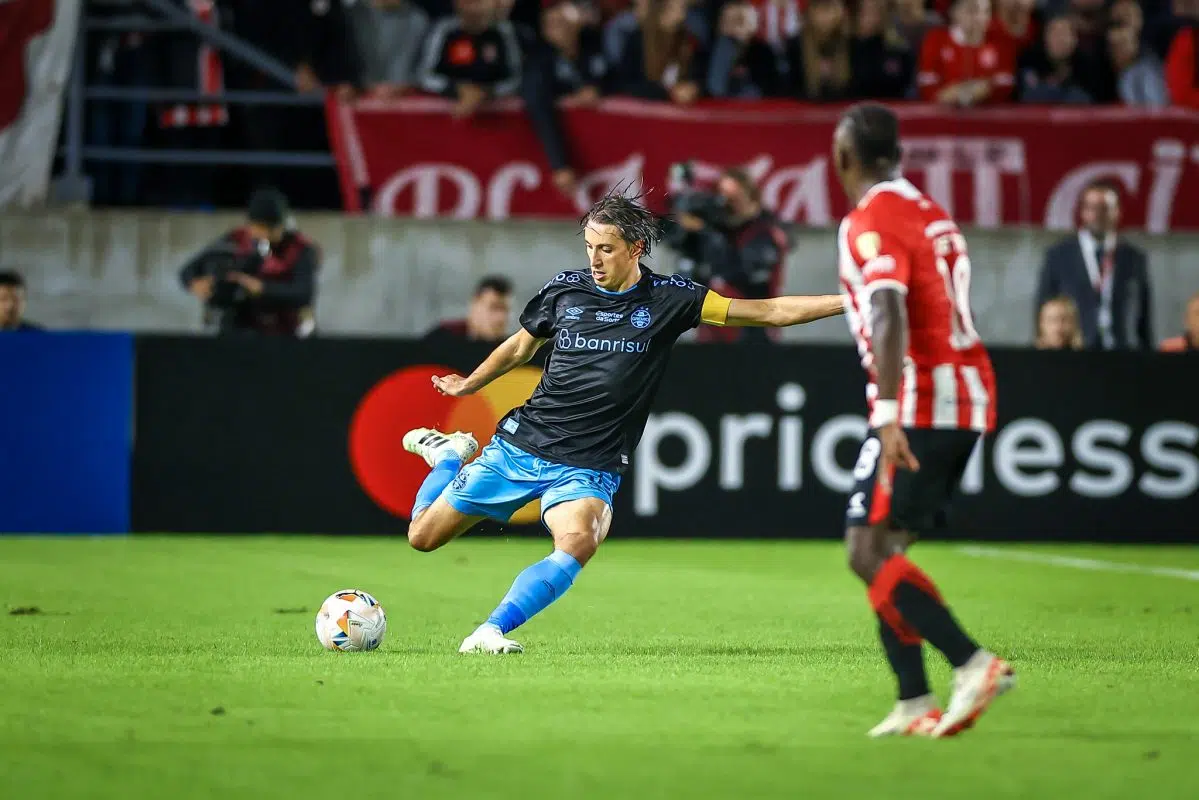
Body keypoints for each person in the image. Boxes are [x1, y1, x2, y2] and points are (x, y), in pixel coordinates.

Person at [400, 191, 845, 655]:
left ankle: (489, 630)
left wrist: (847, 301)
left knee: (579, 541)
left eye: (606, 248)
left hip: (588, 465)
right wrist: (470, 384)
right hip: (521, 444)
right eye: (589, 246)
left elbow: (769, 311)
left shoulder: (673, 299)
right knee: (421, 537)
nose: (594, 259)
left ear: (635, 249)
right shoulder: (563, 291)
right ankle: (449, 456)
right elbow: (519, 347)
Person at [832, 103, 1014, 739]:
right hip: (962, 393)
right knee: (887, 546)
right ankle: (913, 700)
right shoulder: (929, 210)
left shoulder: (871, 217)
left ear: (845, 158)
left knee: (865, 549)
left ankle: (972, 662)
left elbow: (887, 309)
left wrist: (885, 413)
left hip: (921, 398)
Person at [179, 188, 320, 336]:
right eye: (258, 228)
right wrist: (196, 283)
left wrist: (261, 288)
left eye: (269, 229)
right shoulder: (237, 240)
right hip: (240, 326)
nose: (263, 235)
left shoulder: (299, 248)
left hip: (285, 330)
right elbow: (189, 270)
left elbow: (304, 293)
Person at [1036, 180, 1153, 350]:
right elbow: (1044, 306)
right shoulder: (1059, 256)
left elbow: (1144, 314)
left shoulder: (1133, 258)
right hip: (1075, 352)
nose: (1098, 215)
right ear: (1082, 212)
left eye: (1105, 208)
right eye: (1092, 208)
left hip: (1123, 351)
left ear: (1117, 212)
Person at [917, 0, 1016, 106]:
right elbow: (928, 87)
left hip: (990, 117)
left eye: (986, 11)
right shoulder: (936, 40)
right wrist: (967, 92)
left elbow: (1004, 87)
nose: (980, 18)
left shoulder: (1000, 41)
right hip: (943, 116)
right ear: (954, 12)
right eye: (972, 10)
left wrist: (975, 92)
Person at [424, 275, 515, 345]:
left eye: (505, 310)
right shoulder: (442, 339)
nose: (500, 318)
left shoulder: (514, 352)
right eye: (494, 308)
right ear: (474, 306)